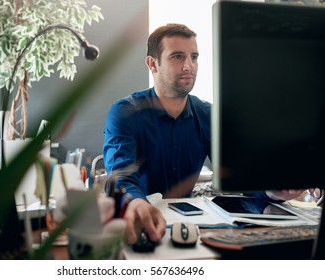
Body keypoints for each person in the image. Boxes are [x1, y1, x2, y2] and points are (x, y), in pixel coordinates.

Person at [102, 23, 307, 245]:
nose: (189, 65)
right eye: (177, 57)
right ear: (153, 64)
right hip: (138, 225)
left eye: (194, 57)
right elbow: (120, 176)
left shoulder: (209, 115)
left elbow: (236, 175)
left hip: (188, 225)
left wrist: (273, 190)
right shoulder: (125, 112)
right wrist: (136, 202)